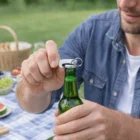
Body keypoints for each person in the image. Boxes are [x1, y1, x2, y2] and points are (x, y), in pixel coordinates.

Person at [16, 0, 140, 139]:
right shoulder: (93, 30)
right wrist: (33, 87)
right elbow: (31, 105)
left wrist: (121, 128)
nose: (125, 4)